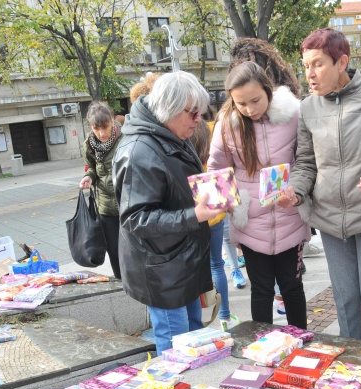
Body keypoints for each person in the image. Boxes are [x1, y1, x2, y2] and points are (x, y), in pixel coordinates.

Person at [280, 28, 361, 345]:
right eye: (306, 65)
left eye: (317, 64)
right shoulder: (307, 108)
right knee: (346, 299)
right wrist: (296, 190)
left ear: (342, 62)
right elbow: (306, 162)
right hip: (331, 219)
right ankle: (352, 368)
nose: (309, 74)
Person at [113, 71, 222, 355]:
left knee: (194, 339)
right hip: (163, 267)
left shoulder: (169, 132)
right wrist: (194, 215)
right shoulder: (139, 150)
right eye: (194, 113)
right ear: (170, 109)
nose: (200, 120)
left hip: (181, 259)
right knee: (177, 344)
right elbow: (136, 219)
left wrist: (212, 195)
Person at [208, 61, 310, 329]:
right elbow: (217, 169)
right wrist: (229, 206)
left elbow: (305, 158)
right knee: (261, 290)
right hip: (251, 221)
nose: (250, 109)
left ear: (268, 91)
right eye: (241, 103)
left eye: (256, 100)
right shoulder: (227, 126)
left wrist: (297, 188)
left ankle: (301, 342)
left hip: (290, 216)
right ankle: (263, 347)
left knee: (292, 287)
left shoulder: (293, 114)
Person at [190, 115, 241, 331]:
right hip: (215, 219)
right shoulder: (211, 159)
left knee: (196, 269)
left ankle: (196, 320)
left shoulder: (184, 158)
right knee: (217, 265)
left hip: (191, 219)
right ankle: (225, 317)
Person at [79, 102, 123, 279]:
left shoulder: (125, 137)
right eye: (96, 128)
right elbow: (92, 167)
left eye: (105, 127)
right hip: (106, 207)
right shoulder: (89, 144)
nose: (101, 133)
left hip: (128, 202)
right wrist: (89, 176)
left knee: (135, 247)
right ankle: (121, 284)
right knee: (114, 249)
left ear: (112, 121)